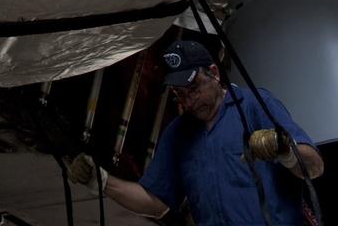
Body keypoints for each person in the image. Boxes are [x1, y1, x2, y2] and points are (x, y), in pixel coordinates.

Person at [68, 39, 323, 224]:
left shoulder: (254, 105)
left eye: (194, 89)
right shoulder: (178, 134)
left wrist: (284, 149)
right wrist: (102, 181)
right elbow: (156, 203)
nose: (189, 102)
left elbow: (314, 167)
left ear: (213, 73)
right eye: (180, 95)